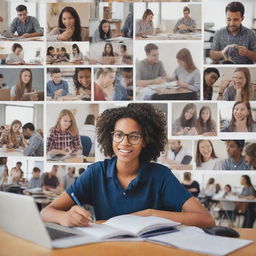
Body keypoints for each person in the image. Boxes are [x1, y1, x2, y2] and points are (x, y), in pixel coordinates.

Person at [40, 103, 215, 227]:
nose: (124, 143)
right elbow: (46, 212)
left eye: (134, 136)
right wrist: (64, 217)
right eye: (119, 135)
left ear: (145, 141)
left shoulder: (160, 175)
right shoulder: (96, 172)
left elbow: (206, 219)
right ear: (111, 137)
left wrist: (151, 214)